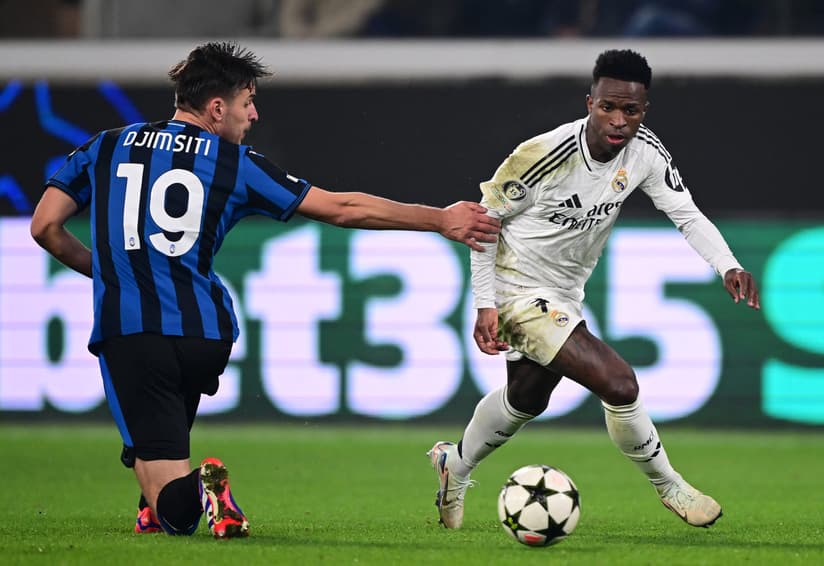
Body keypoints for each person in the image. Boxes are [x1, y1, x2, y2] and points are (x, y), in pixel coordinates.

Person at [29, 41, 499, 539]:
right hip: (206, 334)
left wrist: (109, 272)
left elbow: (44, 227)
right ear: (216, 108)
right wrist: (439, 219)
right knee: (154, 446)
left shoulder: (104, 145)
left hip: (136, 333)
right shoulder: (234, 163)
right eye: (246, 102)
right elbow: (343, 208)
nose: (253, 114)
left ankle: (190, 494)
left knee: (175, 513)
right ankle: (150, 499)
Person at [428, 48, 759, 530]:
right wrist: (485, 305)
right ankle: (670, 485)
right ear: (589, 102)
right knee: (618, 382)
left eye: (632, 110)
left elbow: (685, 213)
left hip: (565, 291)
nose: (619, 120)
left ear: (644, 111)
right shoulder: (541, 154)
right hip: (515, 287)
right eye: (609, 106)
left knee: (526, 399)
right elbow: (484, 224)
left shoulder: (646, 153)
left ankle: (453, 466)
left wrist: (727, 264)